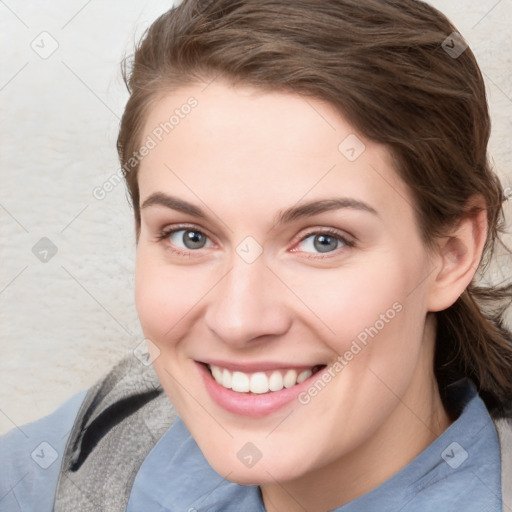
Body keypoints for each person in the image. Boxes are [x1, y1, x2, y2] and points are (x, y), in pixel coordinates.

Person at [2, 0, 512, 510]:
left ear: (452, 253)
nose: (238, 321)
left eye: (322, 241)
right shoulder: (92, 452)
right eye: (190, 237)